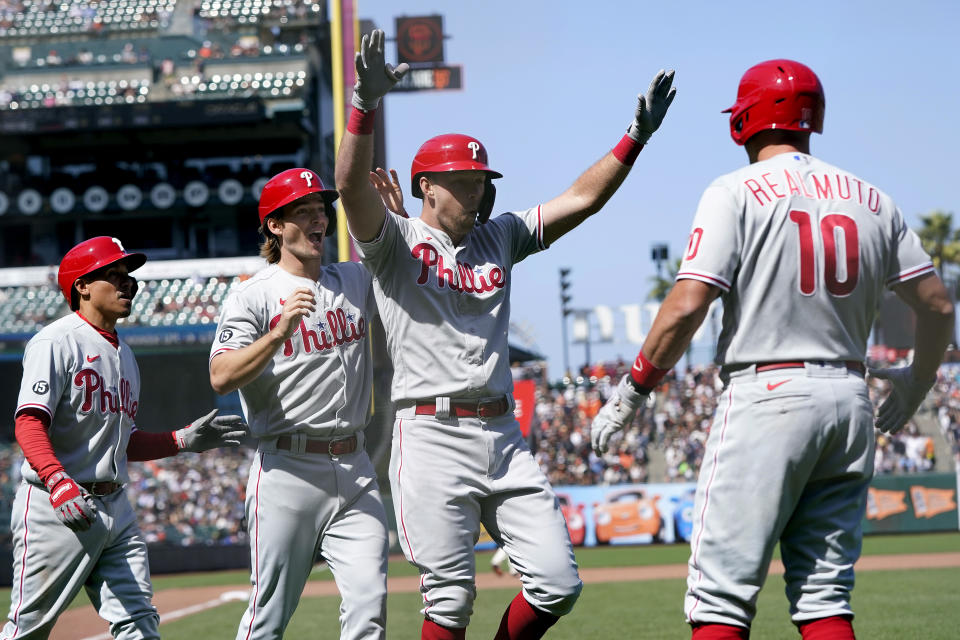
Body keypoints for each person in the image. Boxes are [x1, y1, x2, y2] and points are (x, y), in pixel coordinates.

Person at [590, 59, 955, 640]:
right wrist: (916, 381)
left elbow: (686, 306)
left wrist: (630, 393)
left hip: (769, 393)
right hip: (849, 399)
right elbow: (937, 305)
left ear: (744, 120)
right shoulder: (872, 198)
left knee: (719, 600)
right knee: (824, 597)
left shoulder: (734, 191)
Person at [335, 28, 676, 640]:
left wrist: (636, 138)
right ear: (426, 188)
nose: (480, 189)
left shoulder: (502, 235)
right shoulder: (394, 242)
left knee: (557, 583)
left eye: (482, 179)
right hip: (430, 432)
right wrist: (363, 102)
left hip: (501, 432)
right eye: (464, 180)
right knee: (449, 600)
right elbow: (350, 187)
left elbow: (582, 200)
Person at [7, 236, 247, 639]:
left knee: (139, 624)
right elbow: (29, 422)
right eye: (113, 276)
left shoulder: (126, 356)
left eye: (129, 280)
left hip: (116, 507)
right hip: (57, 507)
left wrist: (181, 440)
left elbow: (124, 442)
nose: (126, 286)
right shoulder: (55, 341)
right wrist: (57, 481)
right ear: (81, 285)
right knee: (29, 629)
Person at [208, 168, 389, 640]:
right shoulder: (253, 294)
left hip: (355, 466)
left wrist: (401, 223)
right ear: (275, 226)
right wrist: (277, 333)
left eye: (321, 210)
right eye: (303, 211)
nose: (318, 219)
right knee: (268, 618)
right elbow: (221, 376)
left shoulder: (353, 279)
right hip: (288, 469)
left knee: (370, 605)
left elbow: (403, 272)